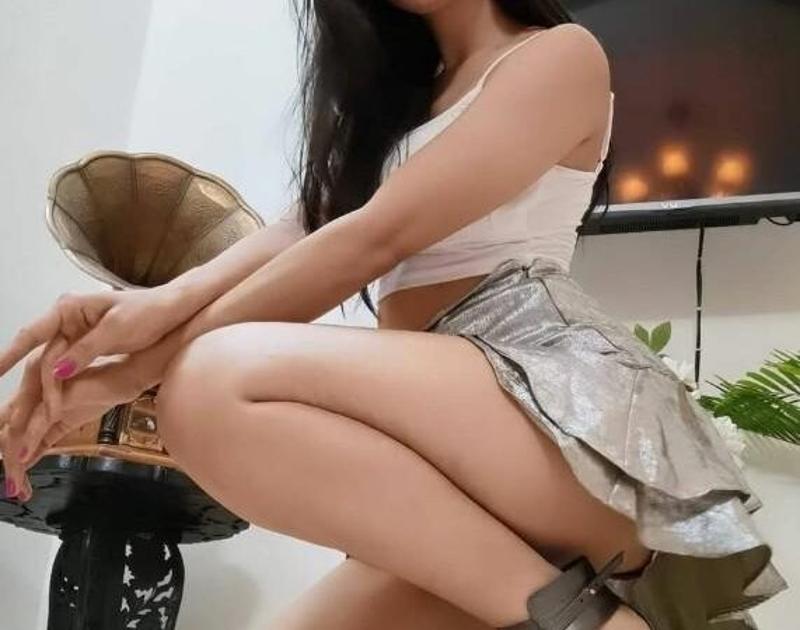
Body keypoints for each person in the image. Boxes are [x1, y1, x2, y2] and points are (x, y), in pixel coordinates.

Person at [0, 2, 788, 629]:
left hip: (550, 407)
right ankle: (567, 610)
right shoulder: (390, 114)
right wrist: (137, 316)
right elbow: (298, 234)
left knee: (212, 382)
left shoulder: (558, 55)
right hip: (434, 441)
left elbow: (374, 238)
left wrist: (140, 369)